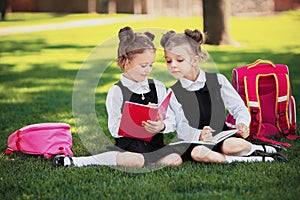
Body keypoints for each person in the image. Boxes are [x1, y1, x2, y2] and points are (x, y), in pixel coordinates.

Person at [54, 26, 182, 168]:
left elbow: (172, 120)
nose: (148, 70)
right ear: (125, 62)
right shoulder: (117, 91)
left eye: (151, 65)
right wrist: (137, 119)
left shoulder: (158, 87)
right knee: (136, 160)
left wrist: (161, 125)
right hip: (129, 148)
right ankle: (80, 161)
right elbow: (114, 129)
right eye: (143, 65)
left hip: (154, 146)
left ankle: (148, 161)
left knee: (175, 159)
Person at [159, 29, 287, 163]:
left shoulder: (217, 80)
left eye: (179, 60)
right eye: (168, 61)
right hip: (196, 141)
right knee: (198, 154)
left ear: (195, 60)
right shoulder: (173, 93)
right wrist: (200, 135)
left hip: (223, 136)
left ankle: (262, 148)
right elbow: (180, 127)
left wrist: (242, 123)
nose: (173, 65)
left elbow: (238, 108)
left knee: (231, 146)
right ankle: (255, 158)